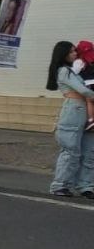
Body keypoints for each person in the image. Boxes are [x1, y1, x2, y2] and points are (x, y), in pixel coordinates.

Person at [45, 41, 94, 198]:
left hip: (85, 111)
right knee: (70, 151)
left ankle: (85, 185)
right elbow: (83, 90)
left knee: (89, 151)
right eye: (72, 51)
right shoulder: (63, 71)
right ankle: (60, 184)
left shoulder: (76, 71)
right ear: (64, 54)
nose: (75, 54)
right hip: (73, 112)